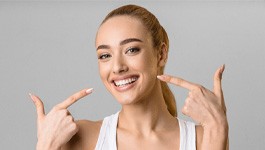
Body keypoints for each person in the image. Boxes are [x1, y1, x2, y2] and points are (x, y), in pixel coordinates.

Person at [30, 4, 229, 150]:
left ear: (161, 54)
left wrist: (218, 127)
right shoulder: (80, 138)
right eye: (105, 55)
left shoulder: (204, 139)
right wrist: (46, 146)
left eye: (131, 50)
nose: (117, 67)